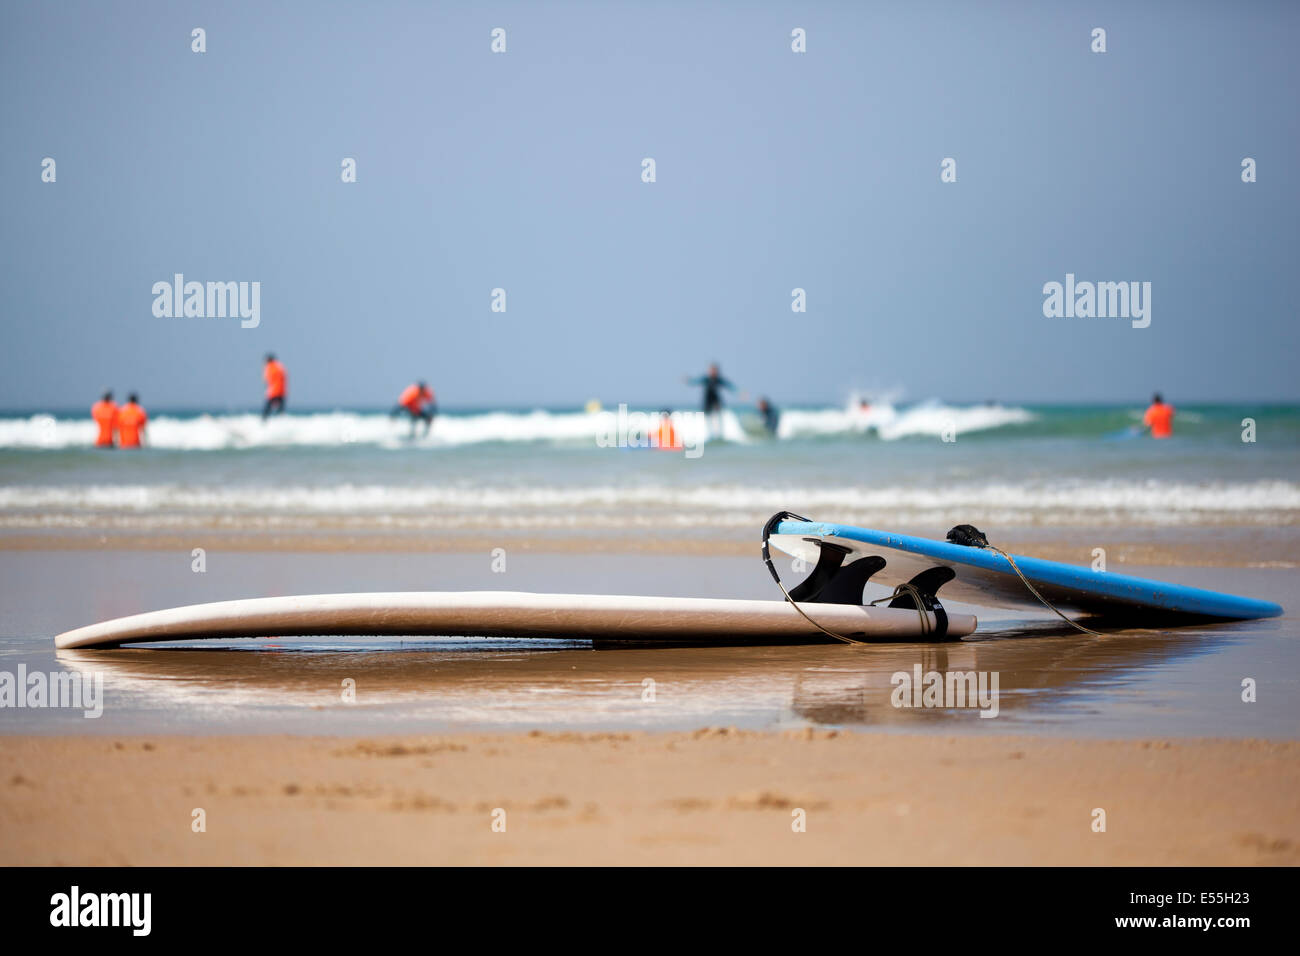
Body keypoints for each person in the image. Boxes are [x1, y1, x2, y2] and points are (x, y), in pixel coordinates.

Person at [686, 363, 735, 438]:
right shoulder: (706, 379)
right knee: (707, 417)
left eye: (714, 370)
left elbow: (729, 385)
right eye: (711, 370)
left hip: (716, 400)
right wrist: (688, 381)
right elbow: (695, 381)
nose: (712, 372)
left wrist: (739, 393)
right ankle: (710, 434)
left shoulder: (718, 380)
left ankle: (720, 434)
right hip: (707, 401)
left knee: (718, 415)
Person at [262, 354, 287, 420]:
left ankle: (265, 422)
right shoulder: (280, 366)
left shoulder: (270, 367)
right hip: (282, 391)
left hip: (273, 391)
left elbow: (267, 380)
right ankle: (280, 422)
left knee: (267, 410)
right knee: (280, 411)